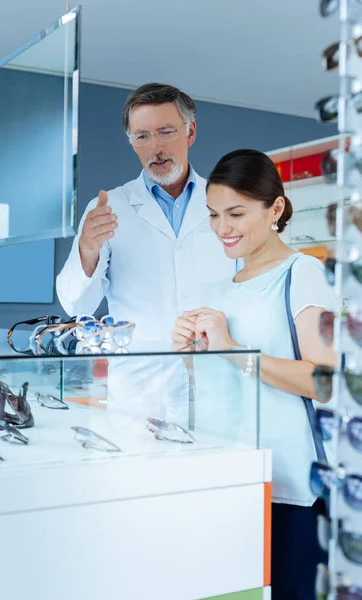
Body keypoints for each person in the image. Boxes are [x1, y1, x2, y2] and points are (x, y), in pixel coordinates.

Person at [171, 149, 336, 600]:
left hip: (290, 489)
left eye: (237, 213)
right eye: (214, 215)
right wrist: (191, 355)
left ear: (276, 209)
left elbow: (326, 382)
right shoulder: (222, 289)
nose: (223, 228)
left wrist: (231, 349)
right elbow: (226, 382)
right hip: (231, 479)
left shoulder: (303, 275)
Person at [56, 82, 232, 348]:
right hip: (144, 382)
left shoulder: (227, 203)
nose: (155, 148)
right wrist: (87, 250)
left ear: (190, 132)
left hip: (217, 370)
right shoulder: (107, 209)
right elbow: (76, 306)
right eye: (142, 136)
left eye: (166, 132)